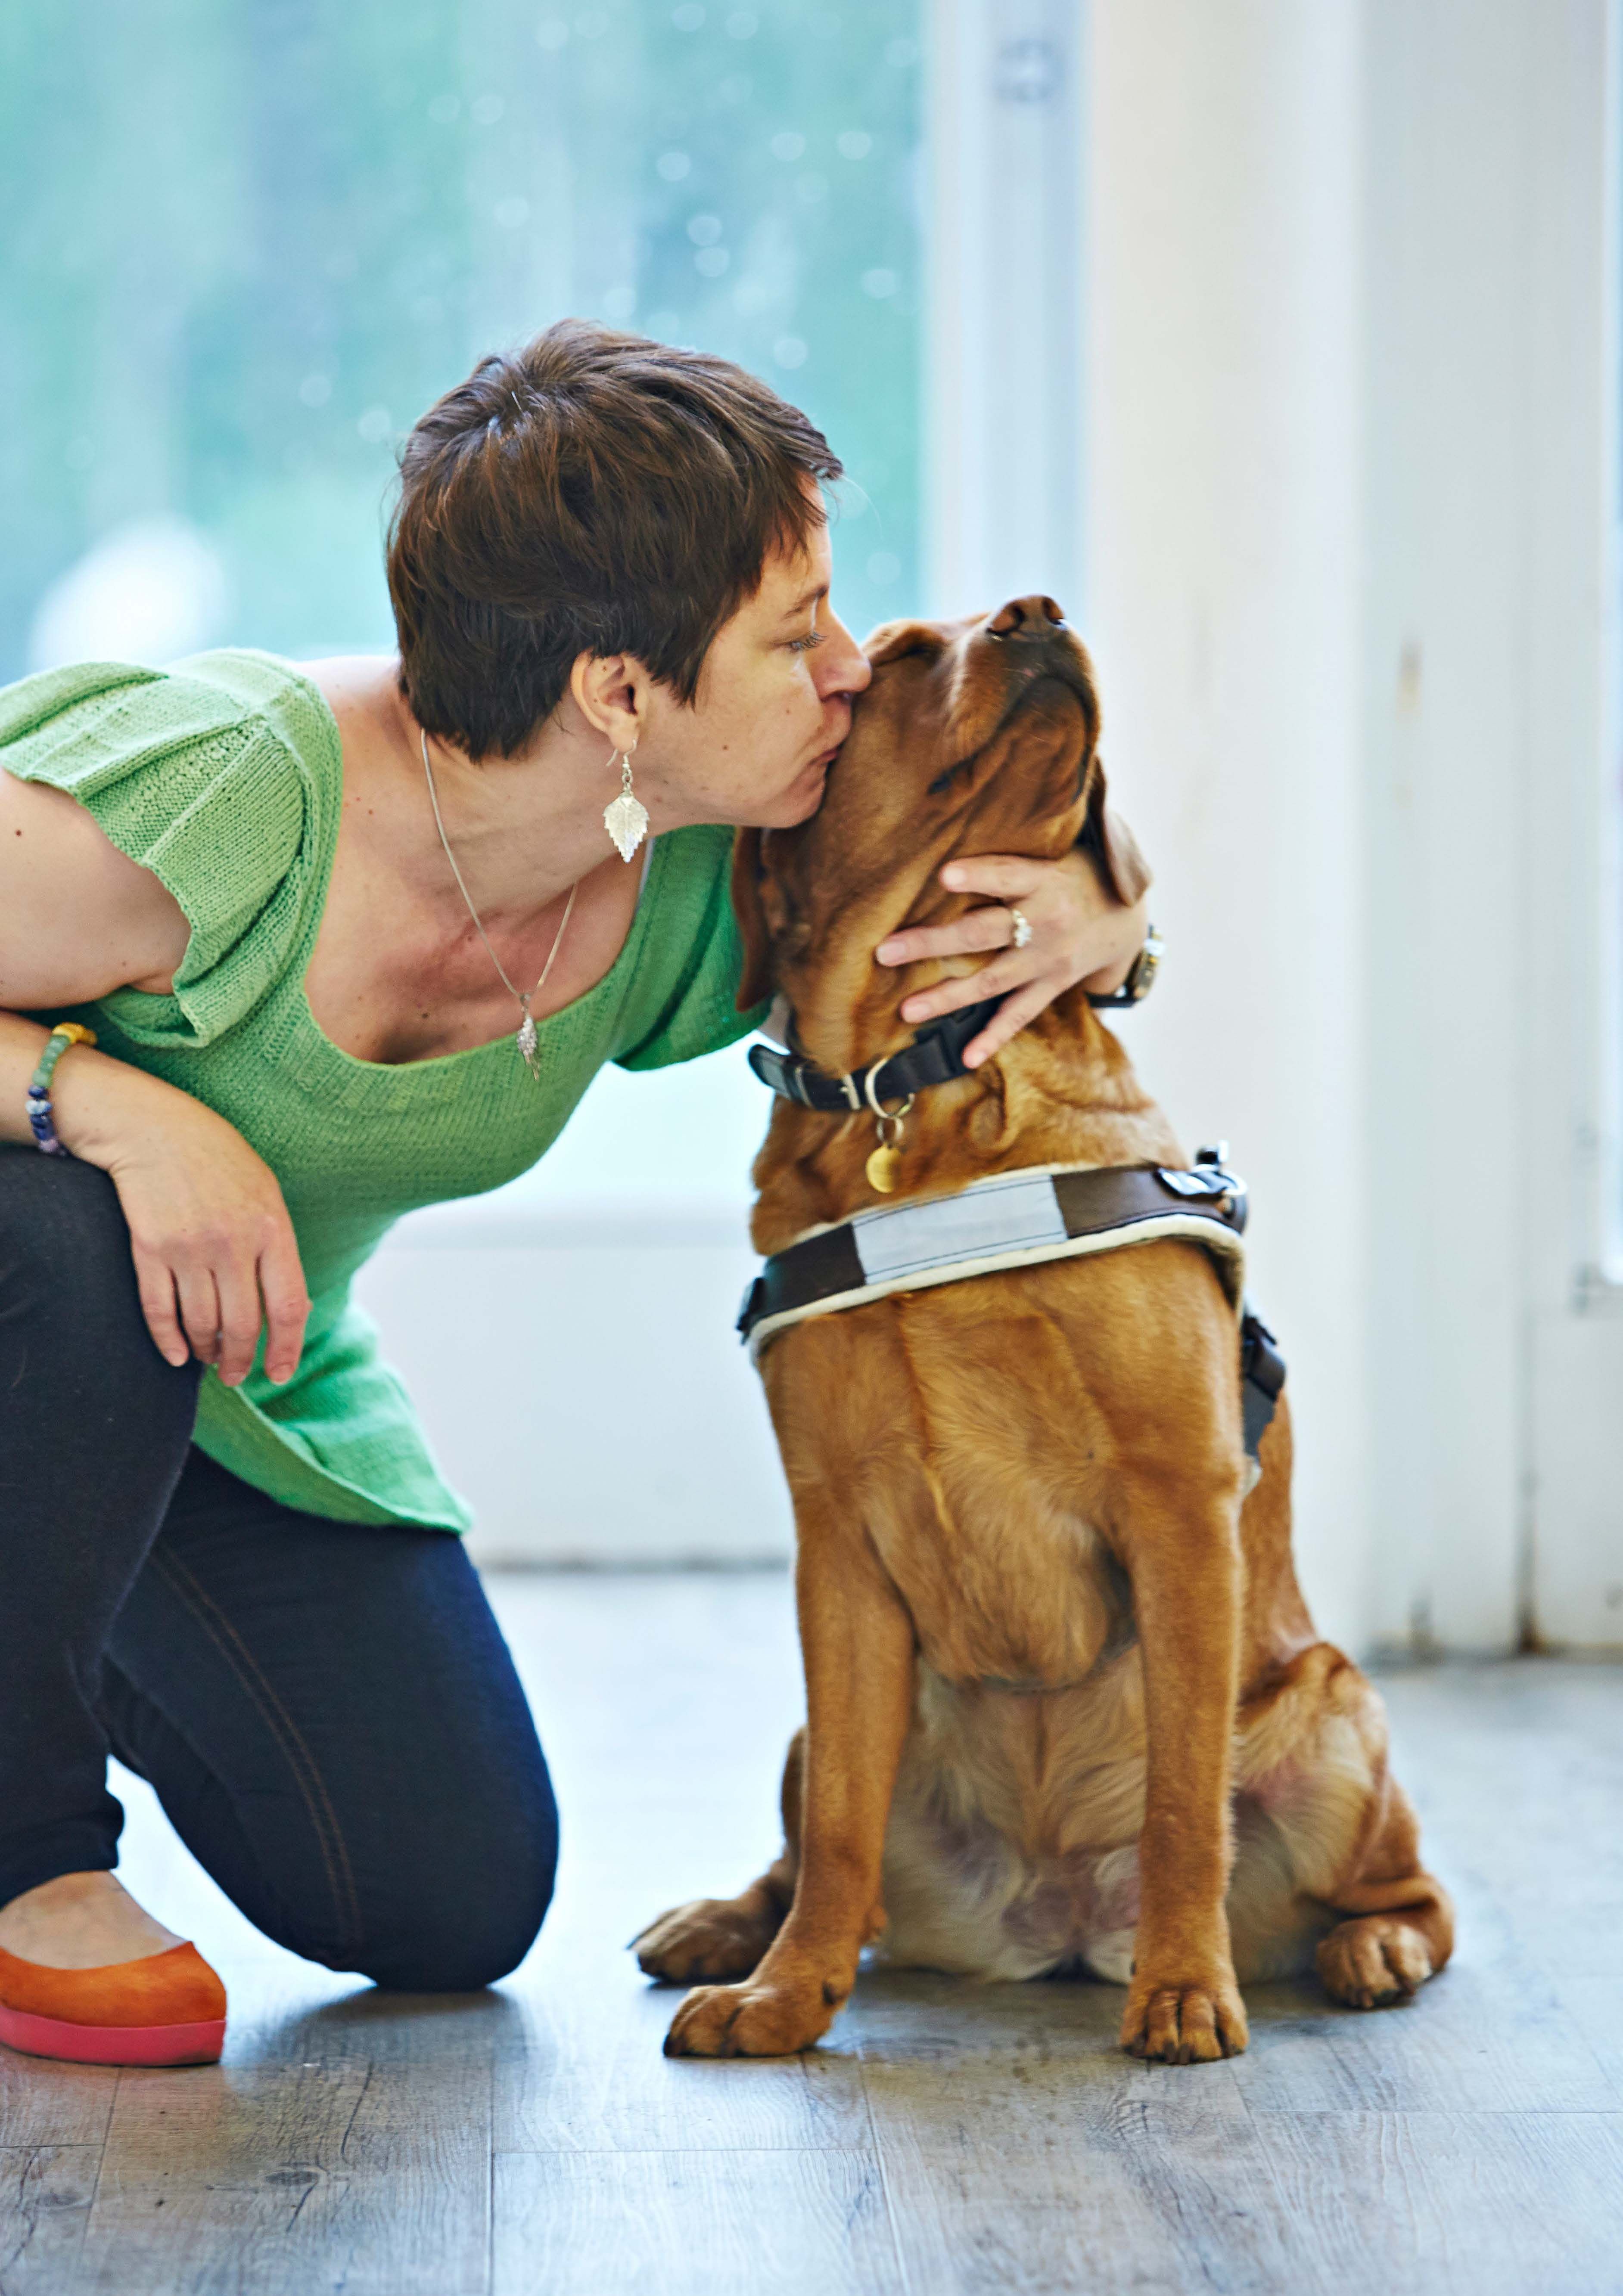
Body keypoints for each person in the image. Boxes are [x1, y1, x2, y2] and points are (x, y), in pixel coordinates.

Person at [0, 322, 1151, 2067]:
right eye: (797, 635)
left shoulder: (712, 868)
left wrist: (1108, 915)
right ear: (619, 693)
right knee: (64, 1230)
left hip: (224, 1387)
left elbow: (992, 786)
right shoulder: (225, 802)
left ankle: (48, 1592)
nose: (847, 666)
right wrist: (104, 1106)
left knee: (445, 1895)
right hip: (54, 1319)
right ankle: (29, 1858)